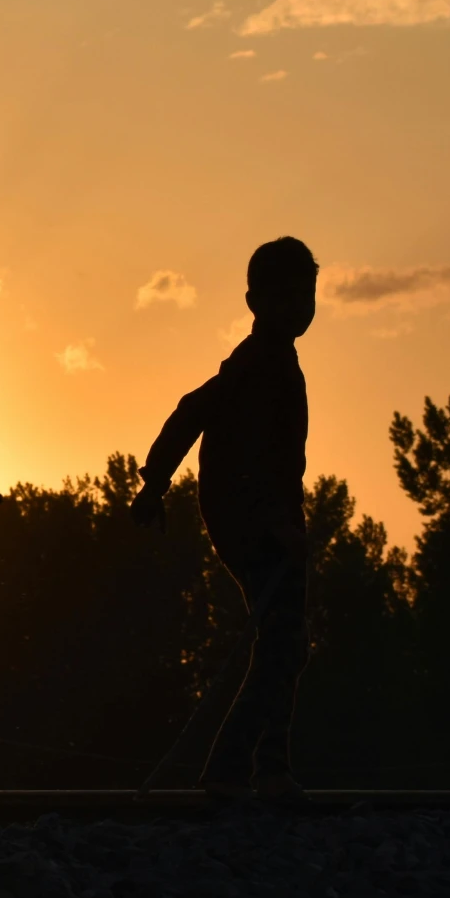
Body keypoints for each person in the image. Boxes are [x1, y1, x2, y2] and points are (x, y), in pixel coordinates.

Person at [133, 237, 317, 802]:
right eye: (284, 296)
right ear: (254, 300)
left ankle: (260, 767)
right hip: (256, 524)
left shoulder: (263, 360)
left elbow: (196, 412)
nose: (299, 307)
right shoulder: (259, 364)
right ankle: (247, 768)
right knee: (283, 640)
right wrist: (157, 481)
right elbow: (225, 435)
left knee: (283, 641)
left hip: (258, 520)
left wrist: (157, 481)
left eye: (306, 295)